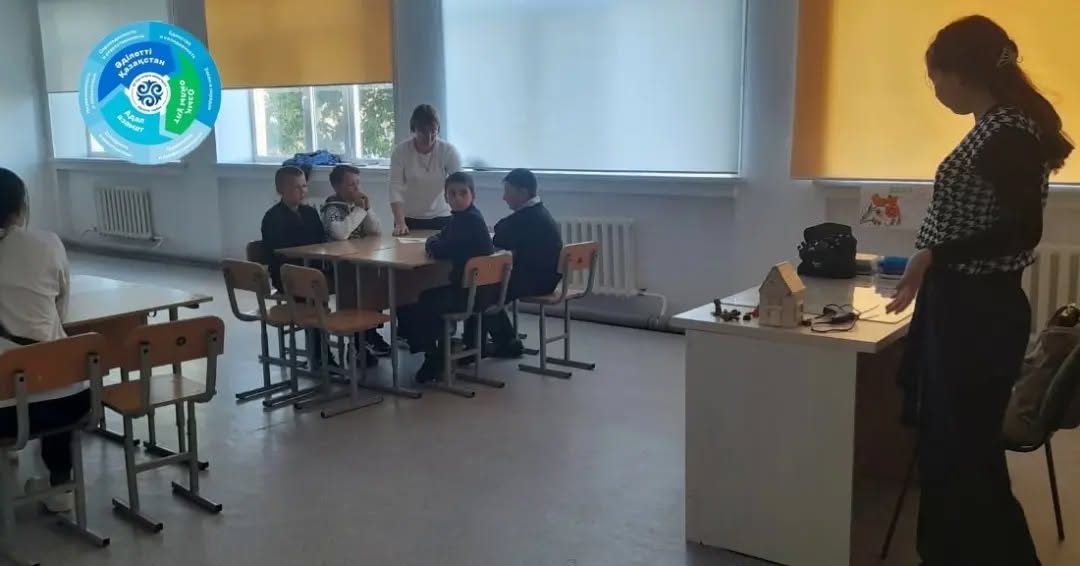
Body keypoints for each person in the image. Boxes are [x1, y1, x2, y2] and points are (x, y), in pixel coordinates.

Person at [885, 15, 1073, 566]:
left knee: (967, 461)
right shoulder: (998, 125)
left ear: (963, 74)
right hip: (966, 305)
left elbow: (1023, 229)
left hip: (977, 312)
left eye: (935, 78)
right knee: (953, 456)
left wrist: (933, 254)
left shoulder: (1007, 133)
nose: (935, 90)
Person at [0, 167, 89, 513]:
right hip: (74, 400)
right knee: (51, 377)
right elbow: (61, 311)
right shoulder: (48, 243)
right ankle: (60, 484)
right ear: (21, 207)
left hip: (7, 411)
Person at [397, 172, 494, 382]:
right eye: (452, 194)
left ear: (473, 195)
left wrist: (431, 242)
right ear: (445, 197)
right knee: (426, 296)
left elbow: (439, 248)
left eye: (463, 193)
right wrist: (436, 240)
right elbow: (442, 236)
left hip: (471, 295)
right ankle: (440, 350)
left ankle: (434, 357)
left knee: (414, 301)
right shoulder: (467, 217)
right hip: (482, 291)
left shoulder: (466, 222)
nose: (457, 198)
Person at [472, 168, 562, 358]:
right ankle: (504, 341)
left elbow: (500, 234)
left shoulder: (528, 217)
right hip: (545, 276)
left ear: (523, 192)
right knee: (486, 286)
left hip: (536, 279)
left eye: (508, 192)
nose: (504, 197)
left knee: (479, 289)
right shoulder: (538, 211)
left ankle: (477, 346)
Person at [320, 164, 391, 357]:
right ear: (337, 187)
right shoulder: (331, 208)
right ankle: (359, 337)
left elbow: (375, 231)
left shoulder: (356, 206)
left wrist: (367, 209)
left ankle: (370, 330)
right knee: (359, 288)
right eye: (351, 184)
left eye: (358, 183)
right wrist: (359, 211)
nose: (357, 188)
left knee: (378, 280)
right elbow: (340, 234)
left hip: (360, 260)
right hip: (340, 265)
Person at [388, 104, 463, 236]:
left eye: (433, 131)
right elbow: (395, 188)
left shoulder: (449, 151)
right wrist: (400, 222)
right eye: (422, 132)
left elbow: (460, 185)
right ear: (414, 129)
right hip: (408, 218)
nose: (428, 138)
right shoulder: (400, 152)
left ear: (438, 129)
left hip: (442, 216)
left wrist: (462, 220)